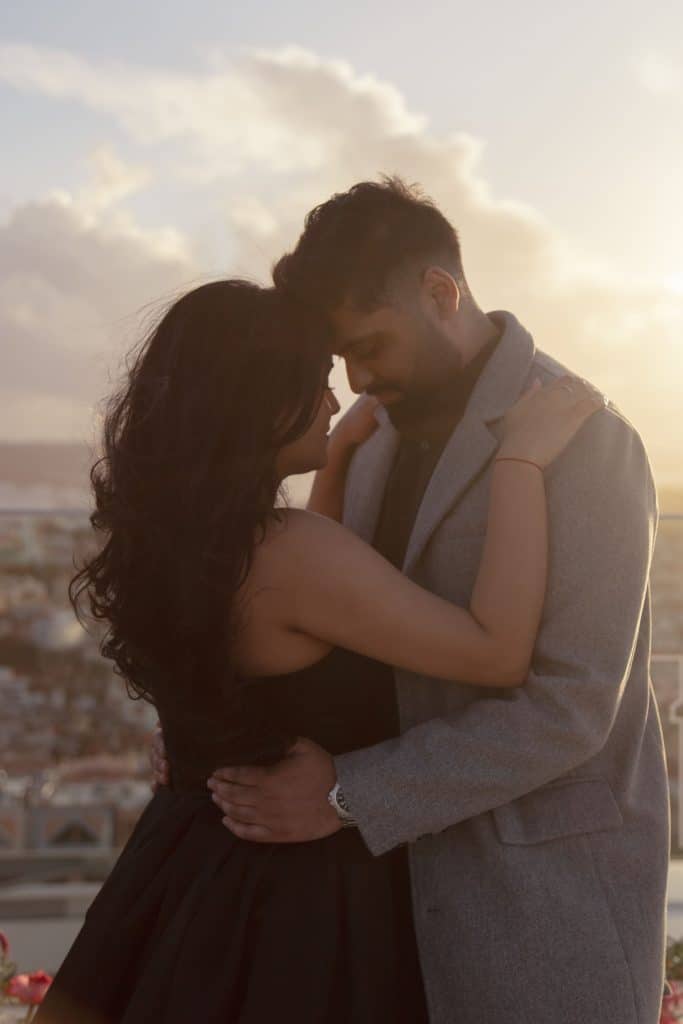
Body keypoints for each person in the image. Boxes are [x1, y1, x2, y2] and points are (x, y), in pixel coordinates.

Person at [150, 179, 669, 1024]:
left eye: (370, 346)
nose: (356, 377)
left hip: (533, 904)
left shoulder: (583, 437)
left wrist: (348, 792)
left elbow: (573, 705)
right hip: (373, 914)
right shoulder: (373, 426)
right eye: (340, 359)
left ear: (440, 293)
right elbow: (327, 624)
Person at [36, 277, 598, 1024]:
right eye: (314, 385)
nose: (336, 403)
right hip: (295, 895)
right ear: (261, 404)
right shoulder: (291, 555)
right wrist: (520, 463)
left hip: (186, 865)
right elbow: (495, 654)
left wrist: (331, 465)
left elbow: (298, 622)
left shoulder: (178, 537)